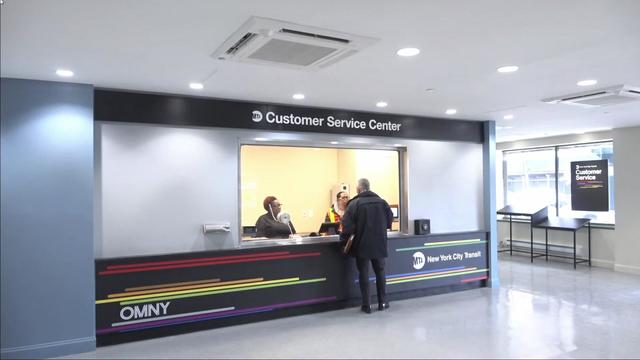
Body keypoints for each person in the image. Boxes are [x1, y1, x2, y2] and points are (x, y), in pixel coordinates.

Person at [340, 178, 393, 314]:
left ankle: (367, 305)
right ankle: (382, 302)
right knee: (380, 271)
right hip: (379, 243)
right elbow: (389, 220)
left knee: (363, 273)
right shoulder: (382, 202)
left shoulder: (354, 204)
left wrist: (344, 241)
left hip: (361, 244)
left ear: (359, 188)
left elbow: (346, 227)